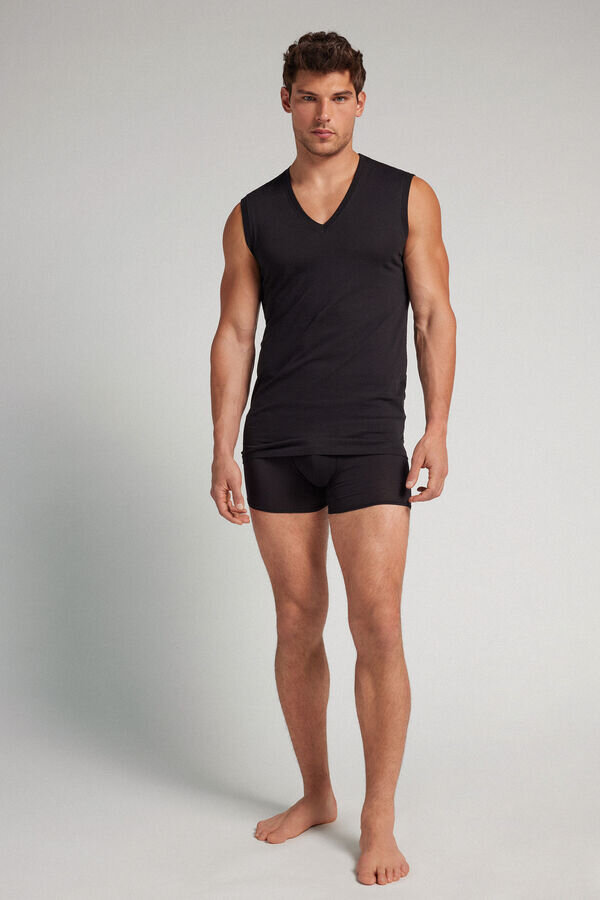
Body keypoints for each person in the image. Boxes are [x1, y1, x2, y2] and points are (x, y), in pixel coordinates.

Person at [209, 30, 456, 887]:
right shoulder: (252, 214)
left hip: (366, 439)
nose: (324, 114)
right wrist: (221, 446)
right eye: (309, 97)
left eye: (339, 97)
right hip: (276, 440)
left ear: (360, 101)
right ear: (286, 101)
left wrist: (437, 427)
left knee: (377, 624)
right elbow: (234, 332)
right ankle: (316, 792)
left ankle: (377, 815)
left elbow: (434, 314)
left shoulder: (407, 197)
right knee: (296, 622)